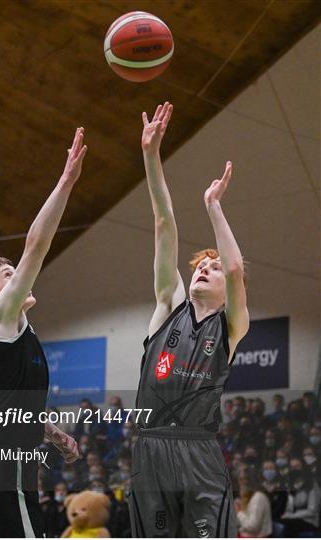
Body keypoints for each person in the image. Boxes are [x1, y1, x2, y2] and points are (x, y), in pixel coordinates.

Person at [129, 102, 249, 537]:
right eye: (201, 264)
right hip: (150, 451)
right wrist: (150, 156)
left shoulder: (232, 325)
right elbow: (163, 222)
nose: (204, 268)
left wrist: (213, 205)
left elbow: (236, 269)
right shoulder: (168, 305)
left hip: (199, 453)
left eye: (212, 268)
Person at [0, 127, 86, 537]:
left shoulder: (17, 334)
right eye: (8, 275)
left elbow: (7, 404)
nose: (20, 277)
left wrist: (50, 432)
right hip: (2, 460)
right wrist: (66, 182)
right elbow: (36, 245)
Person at [235, 466, 272, 537]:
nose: (241, 483)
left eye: (245, 479)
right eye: (240, 479)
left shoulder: (259, 497)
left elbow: (253, 527)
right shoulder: (246, 497)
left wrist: (239, 512)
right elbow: (242, 523)